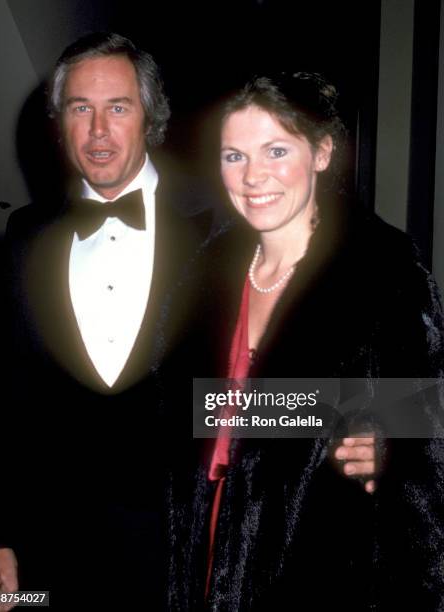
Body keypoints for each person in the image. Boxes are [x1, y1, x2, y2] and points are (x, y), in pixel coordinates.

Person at [162, 73, 444, 610]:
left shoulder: (382, 269)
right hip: (200, 554)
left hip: (323, 572)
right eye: (233, 156)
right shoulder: (205, 271)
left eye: (275, 150)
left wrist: (386, 446)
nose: (253, 177)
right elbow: (184, 416)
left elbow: (426, 435)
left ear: (321, 152)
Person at [0, 31, 210, 611]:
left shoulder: (222, 228)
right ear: (59, 123)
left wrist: (372, 416)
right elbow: (5, 396)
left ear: (151, 118)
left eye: (118, 107)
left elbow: (272, 371)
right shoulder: (25, 234)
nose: (99, 131)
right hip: (54, 561)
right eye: (81, 108)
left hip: (184, 555)